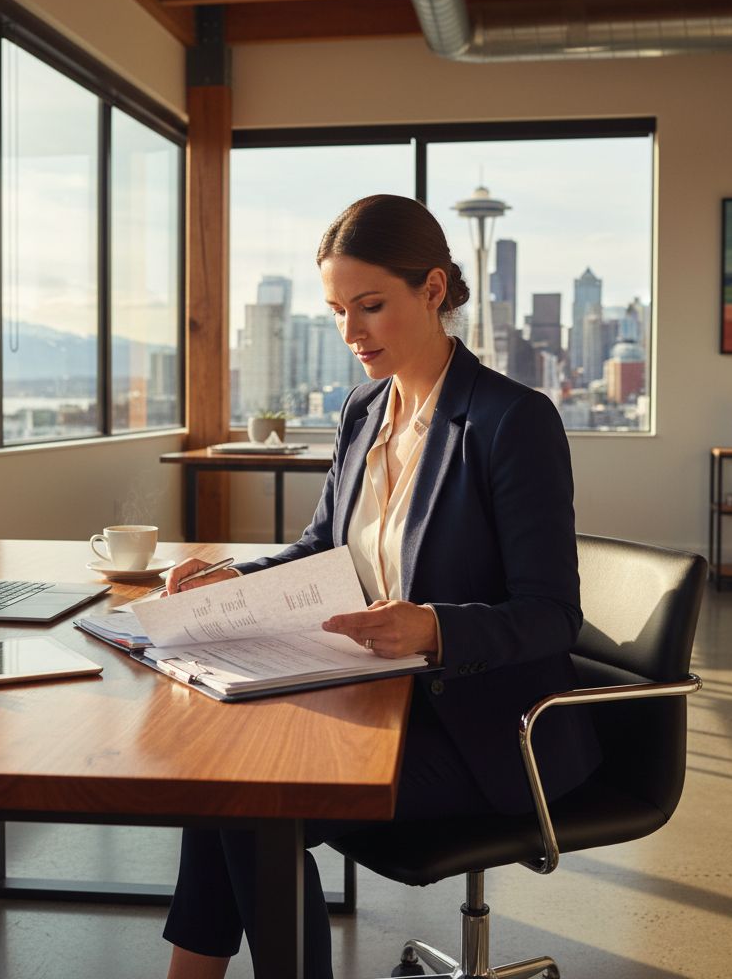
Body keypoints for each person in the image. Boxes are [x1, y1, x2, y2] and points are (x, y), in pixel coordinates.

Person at [162, 194, 601, 979]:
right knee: (223, 786)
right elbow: (321, 547)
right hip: (370, 695)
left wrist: (434, 627)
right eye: (336, 310)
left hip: (481, 728)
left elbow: (553, 616)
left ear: (433, 291)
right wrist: (232, 578)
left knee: (255, 803)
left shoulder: (511, 421)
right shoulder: (363, 409)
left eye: (370, 306)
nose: (350, 332)